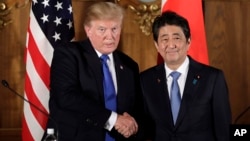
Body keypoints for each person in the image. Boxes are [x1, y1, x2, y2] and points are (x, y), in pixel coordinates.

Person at [44, 2, 144, 141]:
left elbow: (137, 108)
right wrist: (114, 120)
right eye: (102, 29)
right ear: (88, 30)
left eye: (114, 28)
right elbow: (66, 97)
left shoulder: (129, 65)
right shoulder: (68, 54)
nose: (110, 36)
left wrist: (132, 126)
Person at [140, 11, 232, 141]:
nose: (171, 45)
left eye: (177, 38)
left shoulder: (212, 78)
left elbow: (223, 130)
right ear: (157, 45)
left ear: (188, 41)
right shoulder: (145, 80)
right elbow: (144, 128)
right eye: (164, 39)